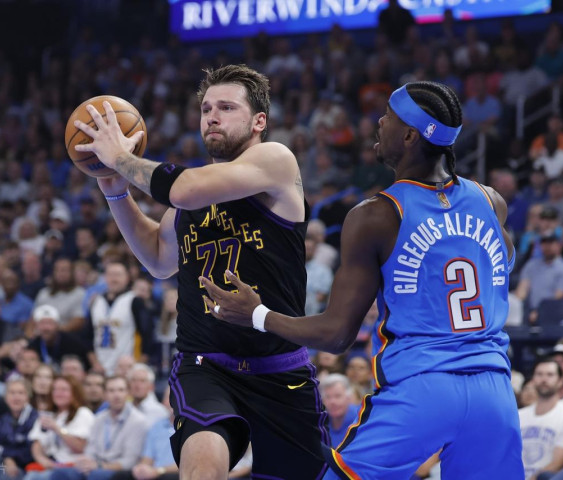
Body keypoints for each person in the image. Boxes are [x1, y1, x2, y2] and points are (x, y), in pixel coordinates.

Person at [201, 81, 524, 478]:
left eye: (388, 116)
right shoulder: (491, 201)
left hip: (423, 388)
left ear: (410, 136)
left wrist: (257, 315)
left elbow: (337, 335)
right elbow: (503, 261)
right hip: (494, 390)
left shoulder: (376, 215)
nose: (379, 122)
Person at [72, 64, 327, 479]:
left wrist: (119, 157)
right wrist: (114, 189)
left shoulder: (276, 160)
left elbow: (184, 189)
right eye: (207, 108)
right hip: (206, 365)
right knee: (202, 466)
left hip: (280, 369)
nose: (212, 116)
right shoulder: (191, 195)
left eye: (227, 107)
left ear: (259, 121)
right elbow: (159, 259)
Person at [519, 358, 563, 479]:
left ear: (560, 381)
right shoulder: (518, 416)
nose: (544, 379)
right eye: (539, 374)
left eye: (550, 375)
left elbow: (558, 463)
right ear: (533, 379)